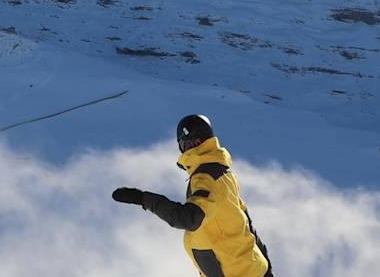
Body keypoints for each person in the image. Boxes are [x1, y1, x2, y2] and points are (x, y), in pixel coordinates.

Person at [112, 114, 273, 277]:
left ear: (198, 141)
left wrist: (143, 199)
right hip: (250, 269)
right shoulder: (221, 173)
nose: (185, 149)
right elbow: (244, 220)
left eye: (186, 143)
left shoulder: (207, 178)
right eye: (183, 145)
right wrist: (265, 262)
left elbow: (188, 219)